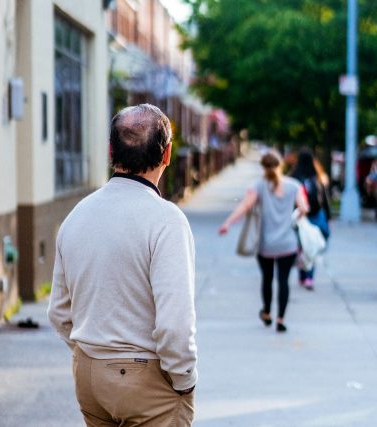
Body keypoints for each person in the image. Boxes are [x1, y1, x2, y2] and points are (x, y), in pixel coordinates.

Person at [48, 104, 197, 427]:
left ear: (111, 151)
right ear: (168, 153)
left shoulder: (77, 215)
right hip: (146, 381)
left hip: (89, 375)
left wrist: (93, 351)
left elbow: (59, 312)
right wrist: (185, 379)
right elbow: (175, 325)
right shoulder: (166, 221)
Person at [219, 150, 308, 333]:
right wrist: (295, 218)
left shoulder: (258, 186)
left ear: (263, 167)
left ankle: (267, 313)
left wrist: (227, 223)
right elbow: (304, 208)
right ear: (280, 165)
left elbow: (244, 206)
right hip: (287, 244)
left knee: (267, 279)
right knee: (283, 281)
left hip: (265, 245)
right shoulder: (294, 186)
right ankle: (281, 319)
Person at [290, 148, 331, 290]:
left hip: (300, 216)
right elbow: (325, 199)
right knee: (312, 246)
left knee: (302, 246)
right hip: (315, 214)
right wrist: (328, 217)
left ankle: (302, 276)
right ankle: (309, 277)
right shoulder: (318, 177)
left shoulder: (294, 177)